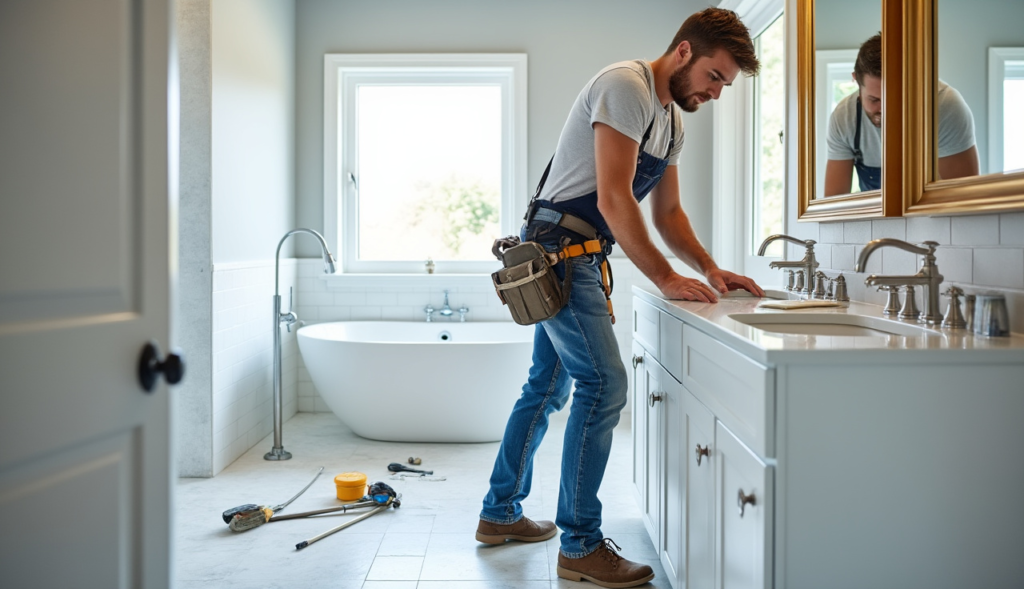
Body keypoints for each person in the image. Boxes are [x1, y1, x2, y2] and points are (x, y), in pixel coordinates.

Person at [476, 8, 764, 588]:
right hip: (561, 254)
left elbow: (670, 213)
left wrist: (711, 268)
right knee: (604, 385)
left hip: (575, 255)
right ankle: (580, 543)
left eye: (725, 85)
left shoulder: (671, 122)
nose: (715, 91)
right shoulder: (624, 86)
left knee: (547, 387)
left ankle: (499, 512)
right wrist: (664, 279)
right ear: (683, 52)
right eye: (714, 76)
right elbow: (613, 198)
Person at [824, 33, 978, 196]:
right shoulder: (843, 119)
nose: (885, 110)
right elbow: (835, 202)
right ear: (855, 80)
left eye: (895, 99)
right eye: (875, 100)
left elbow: (962, 197)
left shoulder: (945, 107)